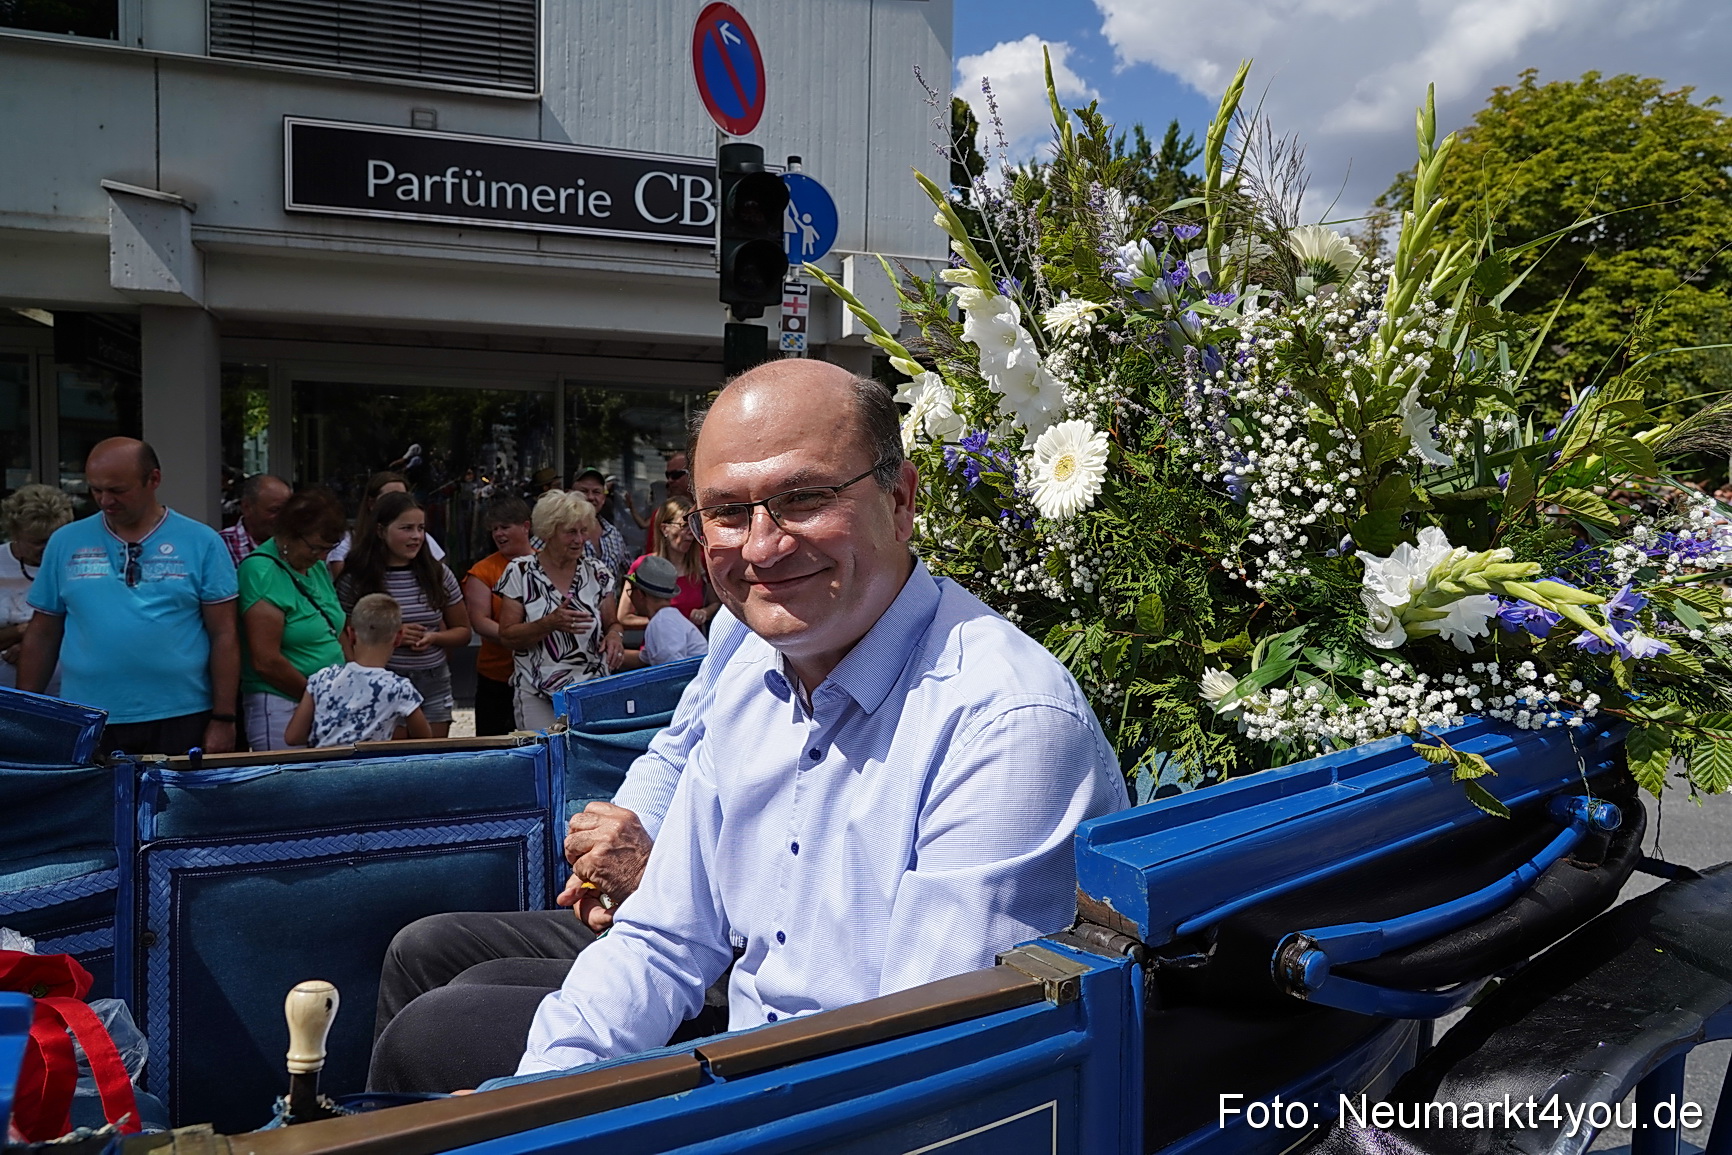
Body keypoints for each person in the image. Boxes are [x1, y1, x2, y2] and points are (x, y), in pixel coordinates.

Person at [365, 361, 1127, 1093]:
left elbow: (921, 1071)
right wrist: (529, 1102)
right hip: (751, 1075)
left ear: (901, 500)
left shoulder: (1002, 724)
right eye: (728, 512)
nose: (761, 545)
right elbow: (662, 939)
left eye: (804, 498)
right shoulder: (754, 672)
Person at [18, 438, 241, 756]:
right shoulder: (65, 542)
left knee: (174, 807)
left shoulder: (202, 542)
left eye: (118, 490)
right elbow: (42, 633)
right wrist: (27, 712)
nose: (105, 501)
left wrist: (224, 717)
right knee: (95, 807)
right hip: (88, 717)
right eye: (95, 490)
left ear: (153, 479)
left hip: (182, 716)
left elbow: (225, 634)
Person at [334, 491, 470, 739]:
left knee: (433, 760)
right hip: (382, 680)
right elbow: (343, 635)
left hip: (433, 679)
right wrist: (390, 635)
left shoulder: (438, 574)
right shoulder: (357, 579)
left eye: (421, 528)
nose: (416, 536)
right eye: (406, 528)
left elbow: (463, 632)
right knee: (393, 762)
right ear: (380, 530)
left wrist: (434, 638)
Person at [495, 491, 625, 731]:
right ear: (548, 532)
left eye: (583, 531)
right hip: (536, 690)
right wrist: (549, 623)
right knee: (542, 759)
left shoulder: (598, 572)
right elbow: (507, 635)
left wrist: (615, 636)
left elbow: (612, 623)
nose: (579, 540)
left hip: (589, 689)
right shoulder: (520, 572)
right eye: (570, 532)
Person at [237, 489, 348, 751]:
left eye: (328, 549)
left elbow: (336, 628)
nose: (322, 556)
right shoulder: (260, 571)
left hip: (326, 701)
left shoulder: (316, 566)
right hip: (282, 704)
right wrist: (317, 698)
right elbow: (266, 661)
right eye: (316, 547)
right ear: (288, 535)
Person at [285, 593, 431, 746]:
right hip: (369, 768)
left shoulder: (322, 678)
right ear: (399, 637)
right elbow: (426, 740)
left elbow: (293, 737)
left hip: (323, 767)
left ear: (351, 634)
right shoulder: (399, 688)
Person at [463, 495, 534, 737]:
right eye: (494, 529)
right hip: (496, 677)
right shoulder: (482, 571)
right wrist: (518, 637)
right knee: (492, 743)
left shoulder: (546, 562)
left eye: (505, 527)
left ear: (526, 526)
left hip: (540, 674)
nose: (498, 534)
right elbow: (480, 621)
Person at [0, 484, 74, 692]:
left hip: (66, 692)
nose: (47, 549)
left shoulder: (76, 566)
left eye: (54, 540)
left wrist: (33, 647)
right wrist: (25, 632)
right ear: (15, 533)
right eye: (38, 542)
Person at [616, 496, 719, 631]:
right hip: (658, 649)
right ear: (665, 529)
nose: (691, 533)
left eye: (693, 526)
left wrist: (705, 612)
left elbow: (716, 602)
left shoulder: (701, 564)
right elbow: (624, 617)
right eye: (684, 526)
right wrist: (662, 622)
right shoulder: (643, 566)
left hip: (694, 649)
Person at [327, 471, 445, 581]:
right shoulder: (346, 545)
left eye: (404, 497)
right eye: (390, 498)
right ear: (371, 503)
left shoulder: (422, 538)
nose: (416, 535)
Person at [626, 555, 707, 667]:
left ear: (639, 594)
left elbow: (672, 671)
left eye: (631, 590)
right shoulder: (665, 618)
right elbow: (643, 658)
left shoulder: (662, 622)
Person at [568, 469, 628, 585]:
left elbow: (630, 572)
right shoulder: (557, 531)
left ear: (604, 499)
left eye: (596, 492)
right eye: (583, 491)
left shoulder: (614, 534)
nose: (590, 497)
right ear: (570, 495)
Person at [220, 474, 292, 568]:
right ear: (247, 508)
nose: (282, 517)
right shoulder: (223, 544)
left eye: (286, 510)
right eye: (274, 510)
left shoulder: (296, 543)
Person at [642, 452, 691, 548]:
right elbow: (653, 554)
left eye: (676, 475)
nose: (670, 480)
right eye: (667, 475)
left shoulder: (710, 511)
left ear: (693, 474)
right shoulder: (661, 515)